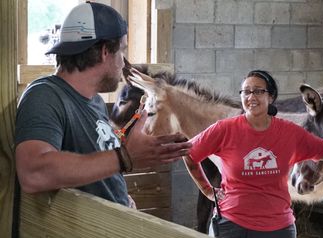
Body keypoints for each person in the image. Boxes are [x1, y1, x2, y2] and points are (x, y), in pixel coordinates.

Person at [15, 2, 191, 208]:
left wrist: (120, 197)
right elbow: (33, 174)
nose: (124, 63)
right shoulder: (45, 96)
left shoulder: (95, 101)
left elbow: (97, 166)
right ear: (104, 52)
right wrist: (125, 157)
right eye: (122, 51)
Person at [183, 70, 323, 238]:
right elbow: (189, 152)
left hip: (278, 232)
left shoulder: (290, 132)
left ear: (271, 97)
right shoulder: (224, 129)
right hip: (230, 227)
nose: (251, 96)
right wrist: (207, 190)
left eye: (259, 91)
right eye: (246, 91)